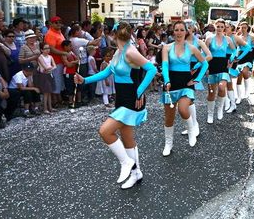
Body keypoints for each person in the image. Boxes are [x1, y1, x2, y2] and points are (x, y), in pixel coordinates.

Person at [75, 24, 157, 189]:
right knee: (127, 138)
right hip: (122, 98)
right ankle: (136, 173)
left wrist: (140, 92)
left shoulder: (130, 51)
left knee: (105, 131)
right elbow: (106, 73)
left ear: (113, 35)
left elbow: (152, 69)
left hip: (132, 99)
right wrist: (85, 80)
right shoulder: (119, 52)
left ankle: (127, 163)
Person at [161, 21, 208, 156]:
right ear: (173, 32)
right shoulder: (167, 48)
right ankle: (168, 144)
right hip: (171, 83)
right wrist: (167, 81)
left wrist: (197, 78)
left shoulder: (192, 48)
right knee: (169, 118)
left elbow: (204, 63)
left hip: (186, 84)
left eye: (182, 30)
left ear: (186, 31)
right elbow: (164, 66)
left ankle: (191, 128)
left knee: (182, 109)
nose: (179, 32)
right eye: (176, 30)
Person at [205, 19, 235, 123]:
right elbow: (204, 53)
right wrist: (205, 68)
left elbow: (234, 50)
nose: (220, 28)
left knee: (222, 87)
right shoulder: (209, 39)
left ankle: (220, 109)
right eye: (218, 26)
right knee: (211, 93)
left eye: (222, 27)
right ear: (215, 26)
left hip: (223, 67)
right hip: (212, 66)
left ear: (224, 28)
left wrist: (231, 60)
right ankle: (210, 114)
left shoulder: (227, 39)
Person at [44, 16, 67, 107]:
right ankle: (55, 100)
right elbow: (51, 49)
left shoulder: (59, 32)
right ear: (51, 24)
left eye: (59, 22)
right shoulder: (50, 34)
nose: (58, 24)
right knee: (55, 81)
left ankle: (59, 98)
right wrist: (64, 53)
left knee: (59, 81)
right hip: (54, 61)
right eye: (56, 22)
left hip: (60, 60)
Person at [37, 43, 56, 114]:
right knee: (45, 92)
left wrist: (49, 68)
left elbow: (54, 66)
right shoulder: (40, 57)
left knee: (49, 91)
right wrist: (50, 68)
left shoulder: (50, 56)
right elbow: (45, 67)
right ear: (41, 50)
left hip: (49, 74)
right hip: (43, 75)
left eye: (48, 48)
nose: (47, 50)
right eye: (45, 48)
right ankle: (45, 108)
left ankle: (50, 107)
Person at [61, 40, 79, 107]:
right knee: (69, 87)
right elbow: (68, 65)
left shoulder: (72, 53)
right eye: (70, 46)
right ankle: (70, 102)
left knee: (74, 86)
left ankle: (73, 101)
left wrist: (72, 62)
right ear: (65, 47)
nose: (71, 47)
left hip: (73, 71)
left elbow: (78, 60)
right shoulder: (64, 54)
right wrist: (74, 62)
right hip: (67, 72)